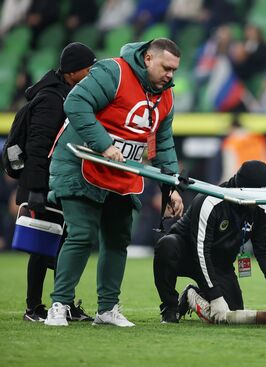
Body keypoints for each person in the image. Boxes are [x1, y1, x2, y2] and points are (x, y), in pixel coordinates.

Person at [45, 38, 184, 327]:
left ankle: (107, 310)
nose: (171, 75)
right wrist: (104, 144)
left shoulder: (166, 98)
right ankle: (59, 305)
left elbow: (162, 143)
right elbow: (76, 102)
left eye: (174, 70)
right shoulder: (113, 72)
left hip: (121, 172)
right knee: (82, 234)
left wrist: (171, 188)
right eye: (166, 67)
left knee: (118, 239)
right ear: (148, 59)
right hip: (80, 163)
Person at [153, 160, 266, 324]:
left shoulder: (260, 207)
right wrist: (215, 295)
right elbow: (200, 252)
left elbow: (265, 249)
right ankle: (170, 308)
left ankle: (192, 295)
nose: (260, 199)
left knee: (232, 313)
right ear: (242, 188)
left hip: (219, 264)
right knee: (167, 245)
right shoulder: (210, 201)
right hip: (188, 254)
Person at [14, 42, 97, 322]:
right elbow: (38, 147)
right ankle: (34, 307)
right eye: (87, 68)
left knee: (63, 244)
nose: (91, 73)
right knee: (42, 244)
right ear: (72, 72)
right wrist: (36, 190)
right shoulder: (52, 99)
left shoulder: (67, 94)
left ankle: (64, 303)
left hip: (60, 181)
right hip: (44, 184)